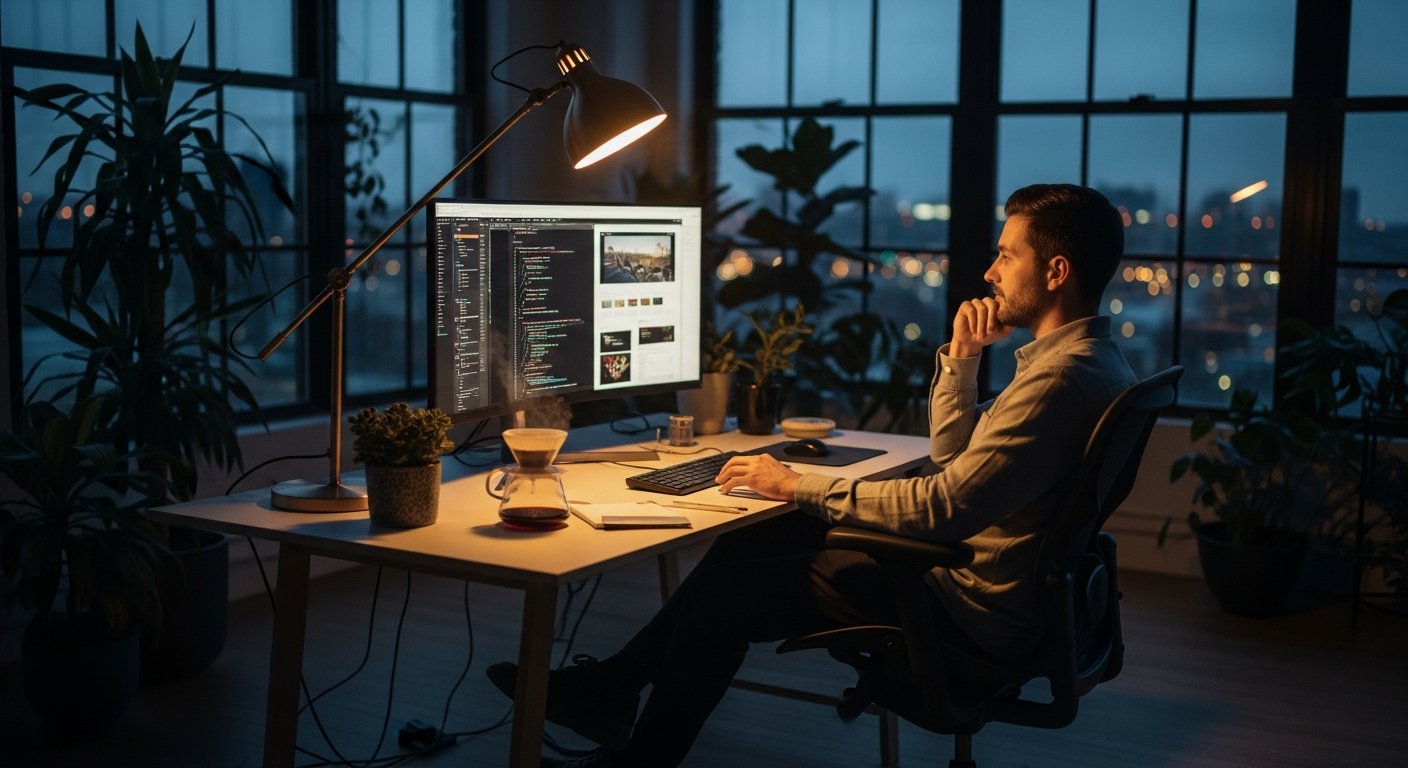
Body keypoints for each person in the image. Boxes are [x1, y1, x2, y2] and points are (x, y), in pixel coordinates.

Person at [487, 183, 1137, 768]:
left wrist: (793, 483)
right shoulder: (1091, 363)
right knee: (753, 541)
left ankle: (638, 752)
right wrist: (963, 360)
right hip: (1001, 593)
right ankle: (613, 686)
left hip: (961, 606)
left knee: (724, 597)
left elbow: (943, 505)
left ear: (1055, 272)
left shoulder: (1056, 382)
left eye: (1006, 256)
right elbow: (954, 458)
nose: (989, 272)